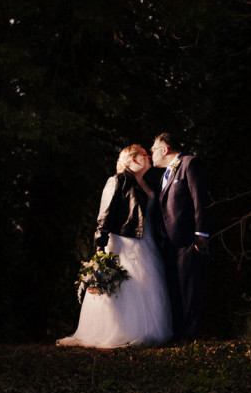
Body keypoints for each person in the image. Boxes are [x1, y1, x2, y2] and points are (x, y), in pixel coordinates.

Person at [57, 144, 172, 348]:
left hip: (146, 242)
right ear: (133, 159)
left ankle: (145, 331)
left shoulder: (148, 183)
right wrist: (100, 243)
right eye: (144, 154)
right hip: (124, 241)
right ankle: (120, 332)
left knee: (146, 285)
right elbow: (105, 214)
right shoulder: (118, 180)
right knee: (123, 286)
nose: (148, 157)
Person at [150, 132, 214, 342]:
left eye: (153, 149)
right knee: (176, 290)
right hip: (169, 243)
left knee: (189, 290)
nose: (151, 154)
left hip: (189, 241)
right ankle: (179, 336)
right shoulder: (164, 175)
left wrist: (200, 234)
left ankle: (190, 339)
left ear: (165, 149)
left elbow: (199, 198)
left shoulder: (189, 164)